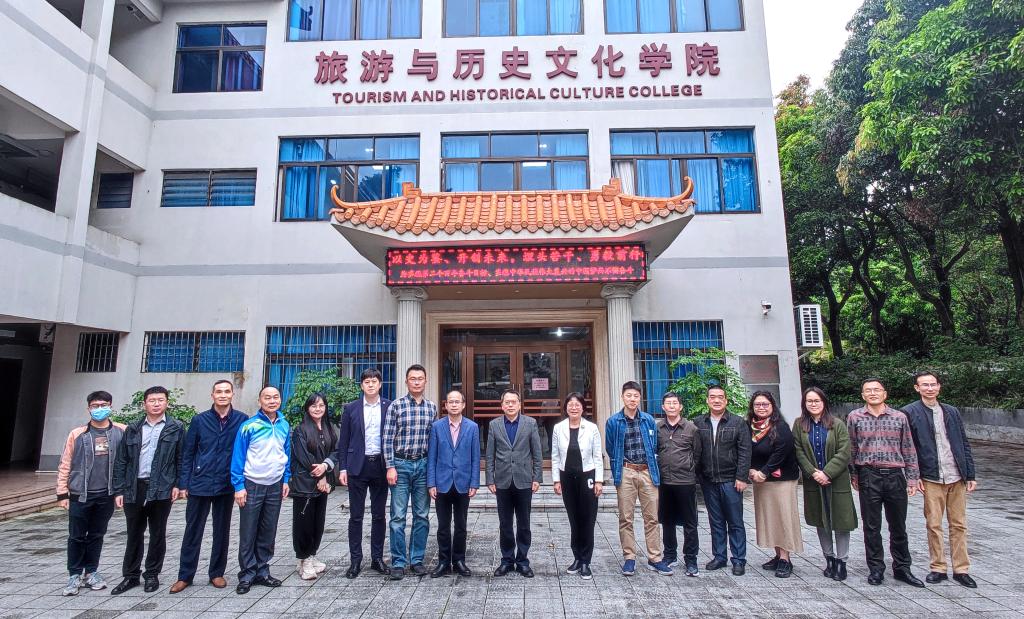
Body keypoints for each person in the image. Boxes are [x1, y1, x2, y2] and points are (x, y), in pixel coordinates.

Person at [902, 371, 978, 588]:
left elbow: (963, 443)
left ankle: (961, 569)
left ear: (939, 386)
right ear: (917, 388)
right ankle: (938, 567)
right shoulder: (909, 412)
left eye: (933, 384)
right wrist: (914, 475)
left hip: (956, 475)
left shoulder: (951, 411)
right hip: (931, 477)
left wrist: (970, 473)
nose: (929, 388)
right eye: (924, 385)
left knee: (959, 524)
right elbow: (908, 447)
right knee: (934, 524)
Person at [170, 380, 247, 593]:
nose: (223, 395)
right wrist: (183, 483)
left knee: (222, 531)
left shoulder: (241, 420)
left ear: (232, 395)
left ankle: (217, 573)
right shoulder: (199, 420)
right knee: (193, 531)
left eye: (227, 391)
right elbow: (188, 453)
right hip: (199, 483)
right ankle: (185, 575)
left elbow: (244, 452)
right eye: (219, 391)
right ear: (212, 395)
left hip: (225, 483)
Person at [848, 378, 924, 588]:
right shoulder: (855, 417)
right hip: (868, 474)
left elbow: (908, 447)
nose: (872, 393)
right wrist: (854, 475)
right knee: (871, 526)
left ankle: (902, 568)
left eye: (876, 390)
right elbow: (852, 448)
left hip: (894, 475)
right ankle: (876, 568)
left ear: (884, 393)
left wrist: (912, 477)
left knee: (898, 525)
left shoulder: (899, 417)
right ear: (863, 395)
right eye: (868, 390)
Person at [110, 386, 185, 594]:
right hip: (135, 487)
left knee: (157, 533)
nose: (156, 404)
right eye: (152, 400)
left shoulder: (176, 427)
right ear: (144, 404)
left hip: (161, 487)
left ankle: (152, 574)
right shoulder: (133, 428)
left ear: (167, 403)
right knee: (134, 533)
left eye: (160, 400)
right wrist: (119, 490)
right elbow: (122, 460)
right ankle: (131, 575)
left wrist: (178, 484)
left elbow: (180, 458)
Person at [57, 391, 126, 596]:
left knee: (97, 534)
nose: (99, 409)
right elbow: (65, 463)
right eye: (95, 406)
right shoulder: (77, 434)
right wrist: (62, 493)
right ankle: (74, 574)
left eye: (103, 405)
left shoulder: (121, 431)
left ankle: (92, 571)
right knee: (76, 536)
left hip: (106, 494)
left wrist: (121, 490)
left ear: (111, 406)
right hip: (80, 494)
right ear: (88, 408)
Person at [606, 381, 671, 576]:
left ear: (640, 397)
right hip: (626, 471)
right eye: (629, 395)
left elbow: (655, 445)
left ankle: (655, 557)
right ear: (622, 397)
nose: (632, 399)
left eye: (635, 396)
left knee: (651, 517)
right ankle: (629, 557)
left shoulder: (648, 420)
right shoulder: (613, 421)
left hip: (647, 471)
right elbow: (610, 448)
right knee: (626, 517)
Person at [792, 387, 857, 582]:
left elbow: (844, 451)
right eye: (809, 401)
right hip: (814, 480)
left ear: (824, 402)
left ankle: (841, 561)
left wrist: (827, 473)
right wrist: (813, 472)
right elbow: (798, 450)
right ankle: (829, 558)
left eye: (817, 401)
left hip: (836, 480)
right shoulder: (799, 424)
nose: (813, 404)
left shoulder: (837, 424)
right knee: (821, 519)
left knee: (841, 521)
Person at [231, 386, 291, 594]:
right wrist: (238, 486)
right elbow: (238, 456)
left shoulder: (284, 425)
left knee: (268, 530)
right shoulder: (249, 426)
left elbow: (286, 454)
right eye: (267, 397)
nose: (272, 401)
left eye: (276, 397)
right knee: (249, 530)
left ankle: (263, 571)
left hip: (275, 484)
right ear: (259, 401)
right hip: (252, 484)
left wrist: (286, 479)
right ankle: (247, 574)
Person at [382, 364, 437, 580]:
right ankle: (398, 562)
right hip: (401, 465)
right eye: (412, 378)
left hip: (423, 465)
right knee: (398, 516)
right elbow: (387, 439)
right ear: (406, 382)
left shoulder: (431, 408)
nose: (416, 382)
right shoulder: (396, 406)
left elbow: (433, 441)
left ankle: (417, 560)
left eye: (420, 378)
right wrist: (390, 466)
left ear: (425, 381)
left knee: (422, 515)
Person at [336, 368, 392, 579]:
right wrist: (343, 467)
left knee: (379, 515)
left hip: (380, 465)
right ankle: (355, 560)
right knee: (356, 516)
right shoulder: (351, 408)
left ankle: (377, 558)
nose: (370, 385)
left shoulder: (389, 406)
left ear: (380, 384)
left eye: (374, 381)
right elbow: (344, 440)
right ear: (361, 385)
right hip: (357, 467)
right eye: (367, 382)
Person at [695, 384, 751, 576]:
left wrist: (742, 476)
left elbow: (745, 452)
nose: (716, 400)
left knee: (735, 521)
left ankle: (738, 559)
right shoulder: (699, 422)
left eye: (720, 397)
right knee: (716, 521)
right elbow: (696, 451)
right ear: (707, 400)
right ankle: (719, 556)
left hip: (731, 480)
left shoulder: (737, 422)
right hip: (709, 480)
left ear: (726, 400)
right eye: (712, 397)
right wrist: (698, 476)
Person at [746, 391, 803, 578]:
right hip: (761, 480)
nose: (761, 408)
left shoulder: (780, 427)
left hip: (781, 480)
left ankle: (786, 558)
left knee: (783, 517)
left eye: (765, 404)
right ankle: (778, 555)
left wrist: (764, 471)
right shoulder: (750, 427)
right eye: (757, 404)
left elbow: (781, 452)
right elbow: (746, 451)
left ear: (772, 406)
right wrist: (751, 470)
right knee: (770, 518)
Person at [486, 389, 543, 578]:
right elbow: (490, 454)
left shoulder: (530, 423)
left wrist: (537, 477)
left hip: (524, 480)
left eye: (514, 402)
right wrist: (490, 478)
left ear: (519, 404)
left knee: (524, 523)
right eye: (507, 402)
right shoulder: (494, 425)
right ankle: (507, 560)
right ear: (502, 405)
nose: (510, 405)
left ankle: (523, 561)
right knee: (505, 523)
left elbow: (537, 453)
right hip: (502, 481)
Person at [426, 390, 480, 578]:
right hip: (442, 482)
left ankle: (458, 560)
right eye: (451, 402)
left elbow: (475, 457)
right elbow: (432, 457)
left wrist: (474, 482)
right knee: (443, 526)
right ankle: (443, 562)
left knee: (461, 525)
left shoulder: (472, 427)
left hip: (463, 483)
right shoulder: (437, 426)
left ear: (463, 405)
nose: (454, 405)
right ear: (446, 405)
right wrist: (431, 483)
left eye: (458, 402)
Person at [552, 392, 603, 580]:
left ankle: (585, 562)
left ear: (583, 407)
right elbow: (555, 456)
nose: (574, 408)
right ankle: (576, 557)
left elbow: (598, 456)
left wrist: (599, 480)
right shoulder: (558, 428)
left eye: (577, 405)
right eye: (570, 405)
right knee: (573, 519)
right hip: (567, 477)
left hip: (587, 476)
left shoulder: (591, 428)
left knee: (587, 519)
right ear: (566, 408)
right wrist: (556, 480)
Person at [290, 393, 337, 580]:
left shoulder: (328, 428)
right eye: (314, 406)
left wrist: (325, 467)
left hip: (321, 486)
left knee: (318, 522)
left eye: (321, 405)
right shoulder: (300, 430)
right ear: (307, 408)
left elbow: (335, 451)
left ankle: (311, 555)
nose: (318, 409)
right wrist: (321, 476)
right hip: (305, 485)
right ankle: (304, 559)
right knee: (304, 524)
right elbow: (303, 457)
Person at [656, 392, 702, 577]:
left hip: (685, 481)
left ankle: (691, 559)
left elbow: (697, 454)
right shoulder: (658, 428)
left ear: (680, 407)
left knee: (690, 522)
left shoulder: (691, 428)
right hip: (665, 482)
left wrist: (689, 469)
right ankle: (670, 555)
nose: (672, 406)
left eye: (675, 403)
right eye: (668, 403)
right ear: (663, 407)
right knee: (667, 521)